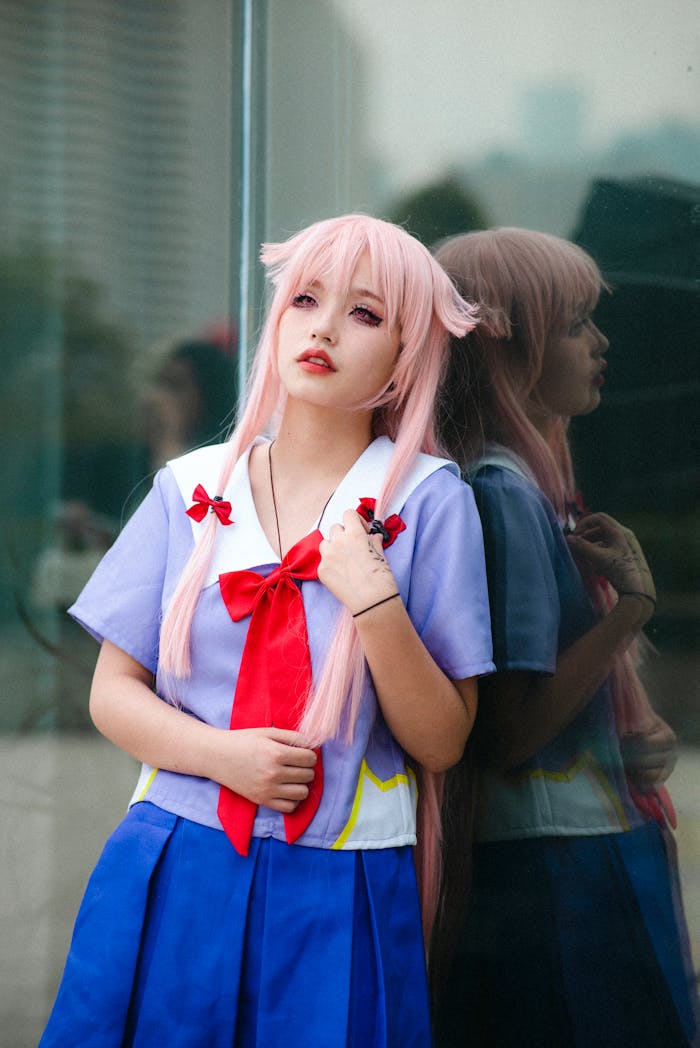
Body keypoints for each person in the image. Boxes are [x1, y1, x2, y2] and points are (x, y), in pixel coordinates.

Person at [40, 214, 495, 1047]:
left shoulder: (431, 502)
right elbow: (112, 693)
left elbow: (442, 741)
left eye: (365, 314)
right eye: (305, 300)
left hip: (344, 876)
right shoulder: (188, 489)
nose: (322, 327)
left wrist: (373, 602)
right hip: (177, 856)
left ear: (407, 357)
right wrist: (226, 757)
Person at [432, 227, 699, 1047]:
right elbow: (510, 731)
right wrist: (630, 609)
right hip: (555, 869)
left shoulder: (523, 486)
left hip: (568, 851)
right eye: (577, 322)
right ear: (508, 338)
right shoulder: (503, 493)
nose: (601, 342)